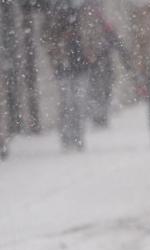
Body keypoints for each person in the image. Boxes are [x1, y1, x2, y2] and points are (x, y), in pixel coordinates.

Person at [78, 0, 131, 128]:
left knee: (105, 89)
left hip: (104, 61)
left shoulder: (104, 19)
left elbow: (115, 40)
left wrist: (125, 59)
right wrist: (89, 52)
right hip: (93, 62)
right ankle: (97, 118)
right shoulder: (85, 18)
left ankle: (102, 117)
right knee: (95, 89)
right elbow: (84, 38)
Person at [42, 0, 87, 150]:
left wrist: (89, 50)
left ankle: (78, 137)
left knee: (78, 103)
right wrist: (56, 47)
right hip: (63, 66)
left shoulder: (81, 9)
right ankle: (67, 138)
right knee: (67, 103)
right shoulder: (54, 10)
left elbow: (90, 32)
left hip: (79, 65)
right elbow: (46, 36)